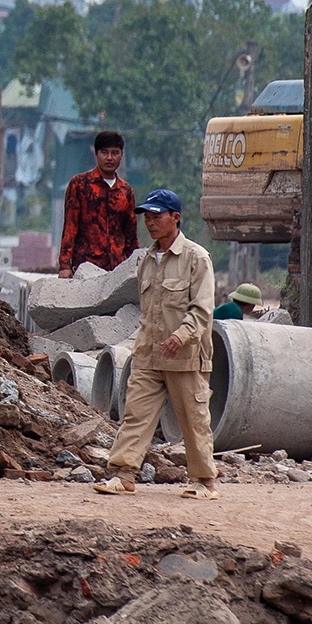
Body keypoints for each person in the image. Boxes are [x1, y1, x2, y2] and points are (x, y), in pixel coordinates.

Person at [94, 189, 219, 500]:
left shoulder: (196, 258)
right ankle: (124, 475)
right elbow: (146, 307)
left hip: (186, 356)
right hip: (149, 353)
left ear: (175, 217)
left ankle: (204, 482)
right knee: (136, 414)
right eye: (146, 216)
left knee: (193, 419)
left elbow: (202, 308)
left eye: (157, 215)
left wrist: (181, 335)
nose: (150, 222)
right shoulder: (147, 259)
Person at [58, 131, 137, 278]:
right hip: (85, 267)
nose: (109, 158)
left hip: (117, 270)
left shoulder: (126, 191)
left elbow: (130, 234)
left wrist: (135, 266)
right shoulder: (79, 185)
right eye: (104, 152)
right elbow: (70, 226)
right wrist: (65, 265)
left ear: (121, 155)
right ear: (96, 153)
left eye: (114, 153)